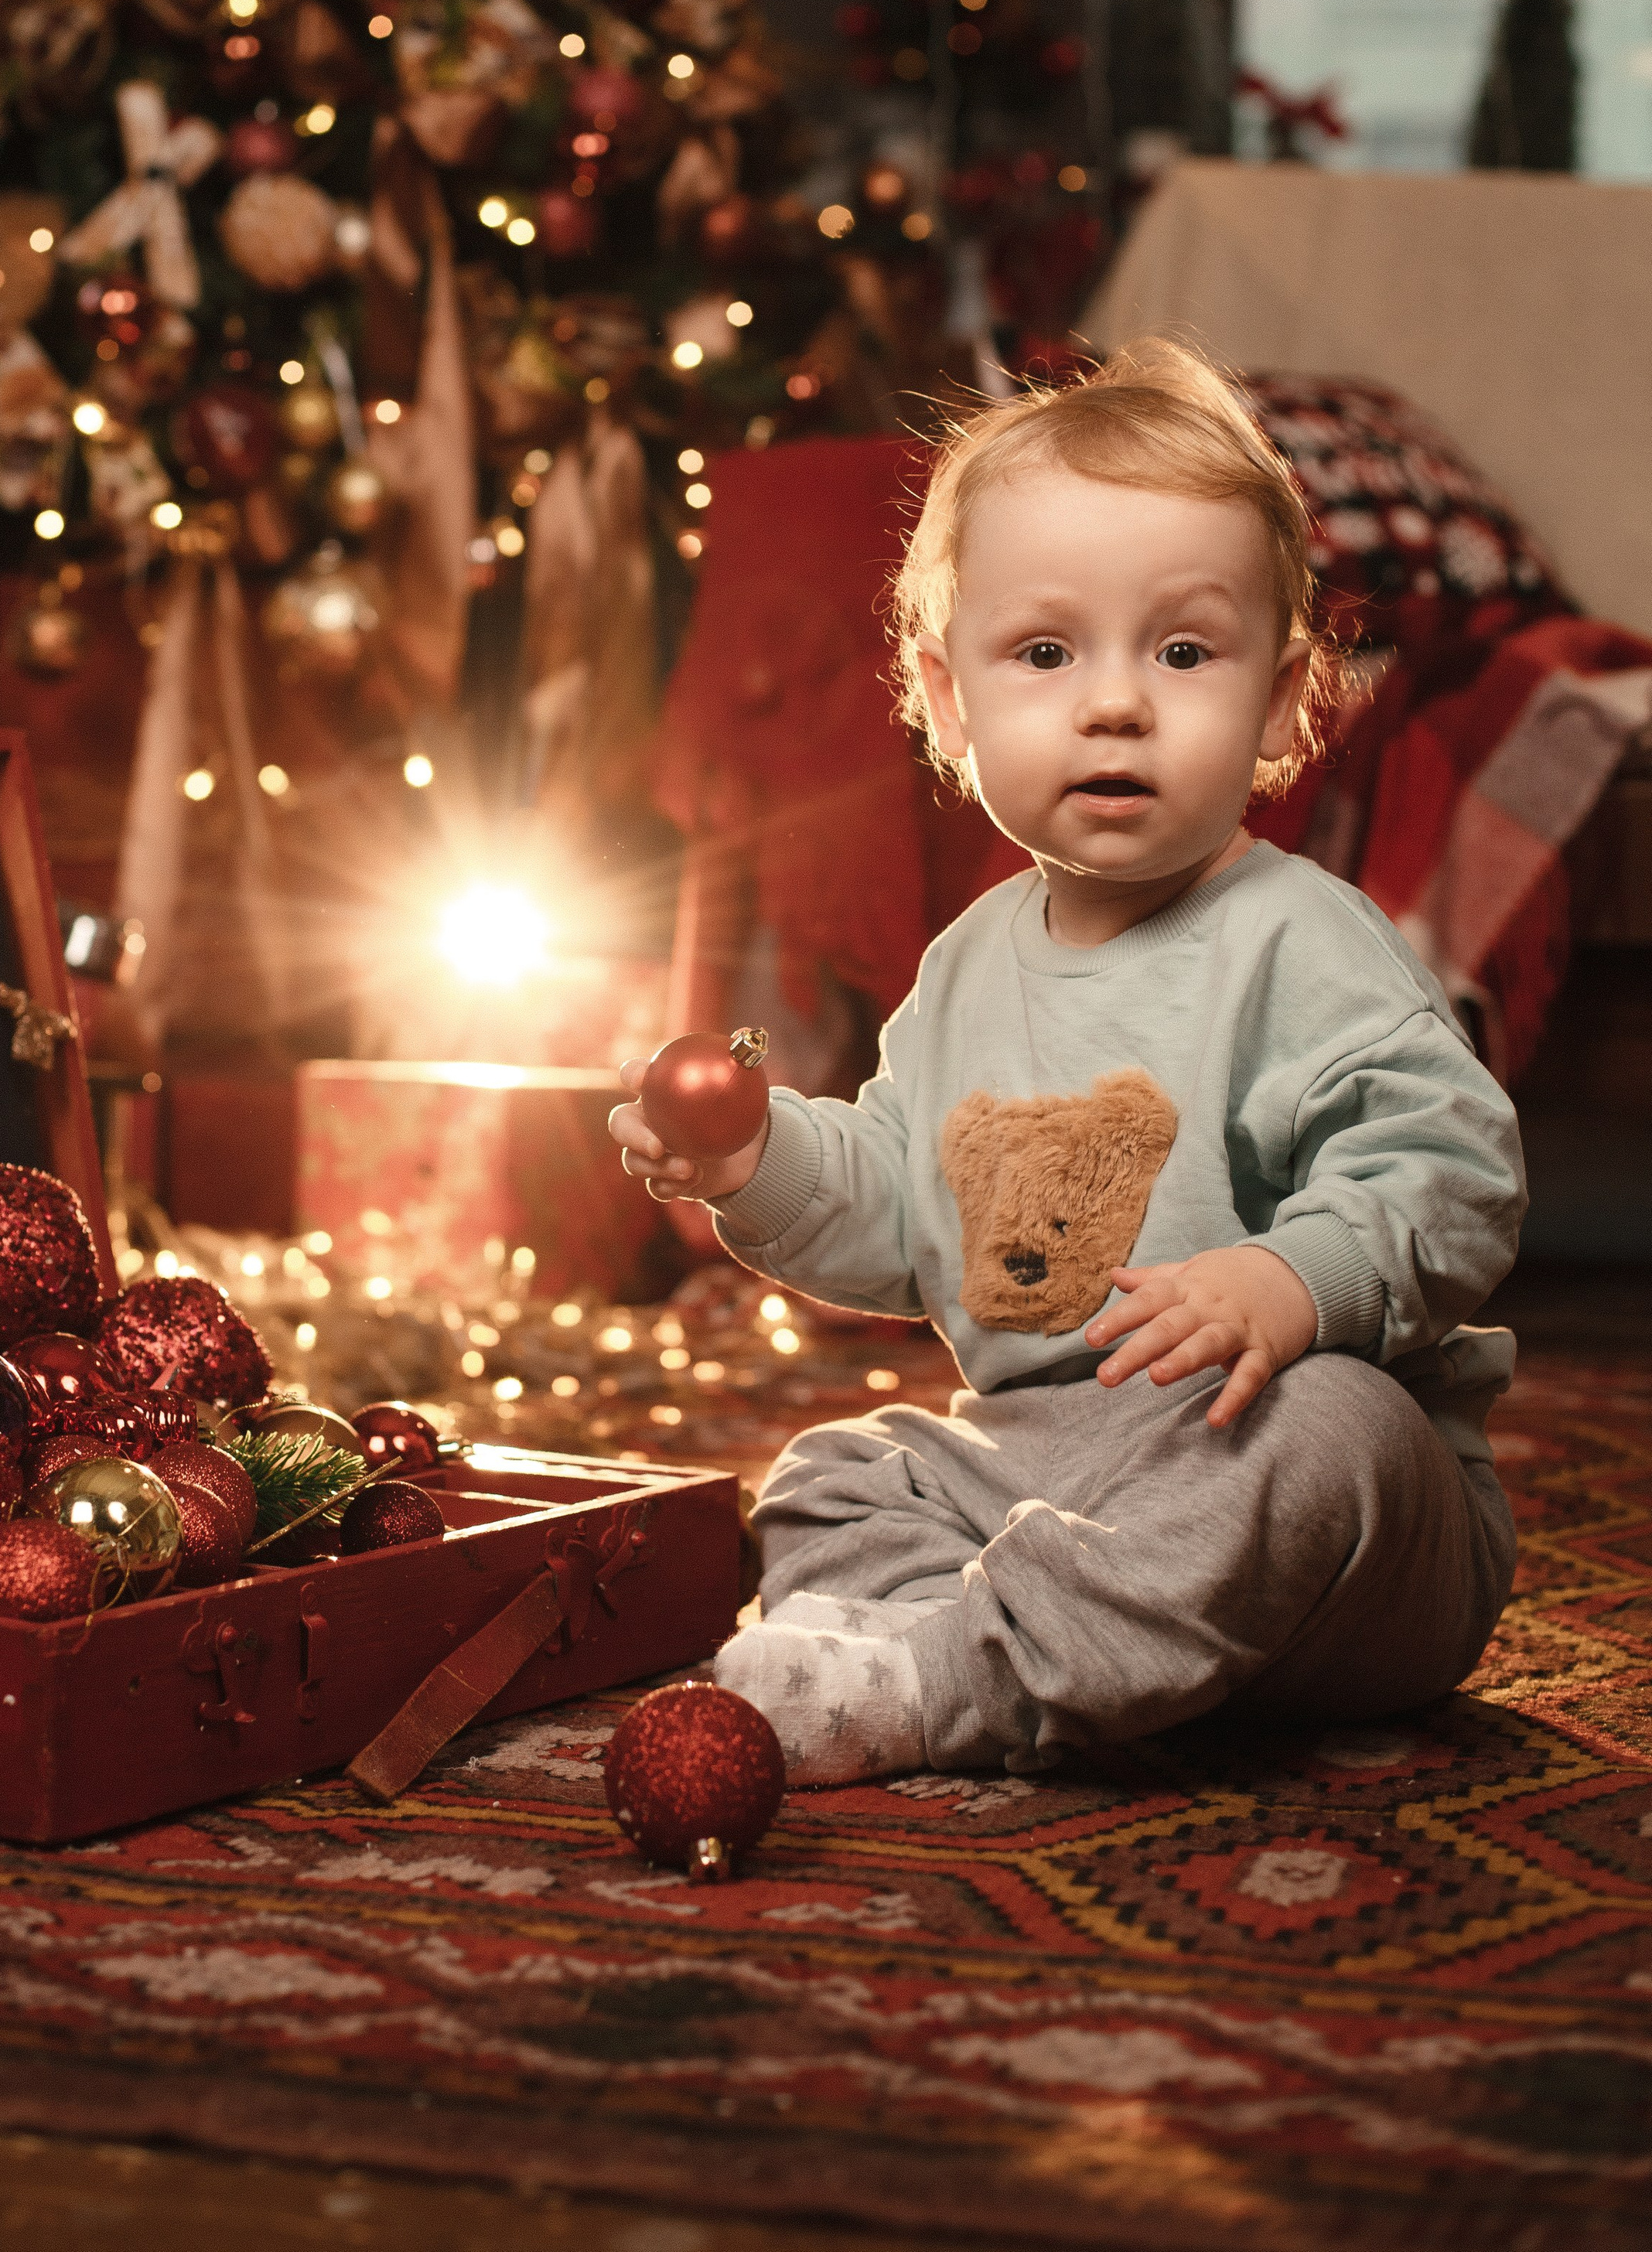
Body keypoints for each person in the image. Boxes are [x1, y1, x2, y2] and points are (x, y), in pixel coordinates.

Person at [610, 340, 1522, 1785]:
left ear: (1283, 701)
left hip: (1299, 1491)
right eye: (1046, 654)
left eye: (1183, 653)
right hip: (1052, 1463)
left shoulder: (1301, 940)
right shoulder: (970, 962)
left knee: (1336, 1433)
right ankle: (1024, 1644)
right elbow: (904, 1210)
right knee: (837, 1474)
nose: (1114, 705)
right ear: (946, 698)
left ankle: (948, 1680)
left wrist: (1296, 1281)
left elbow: (1455, 1171)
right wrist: (756, 1157)